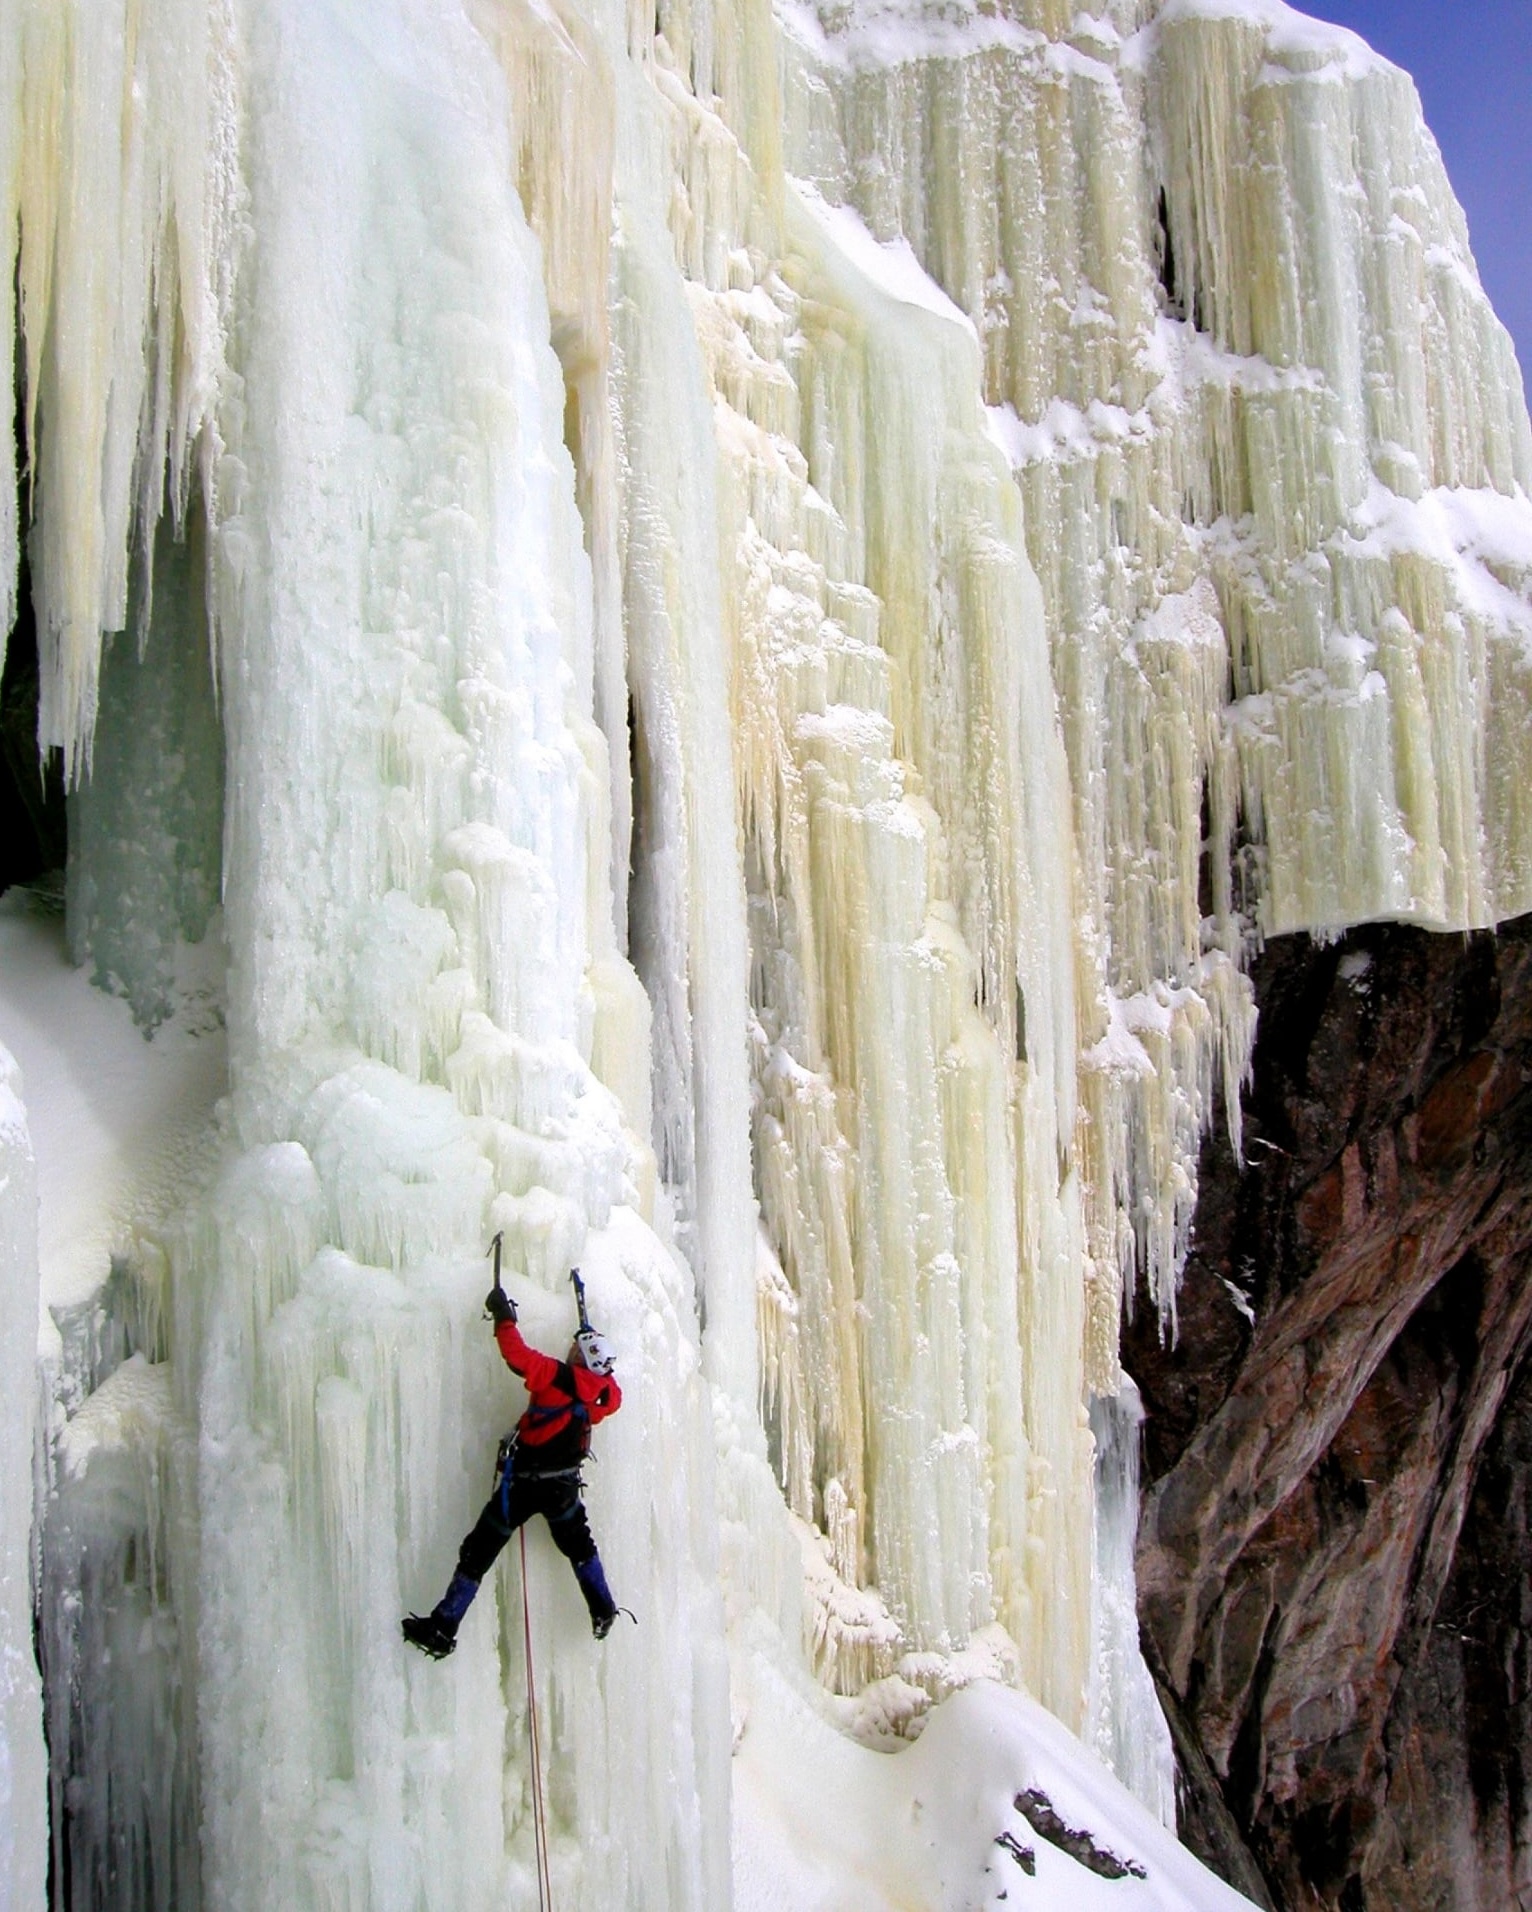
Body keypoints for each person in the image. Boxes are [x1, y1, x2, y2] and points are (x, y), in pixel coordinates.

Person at [402, 1272, 623, 1658]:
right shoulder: (597, 1396)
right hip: (563, 1491)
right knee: (580, 1547)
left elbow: (516, 1356)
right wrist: (593, 1363)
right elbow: (613, 1396)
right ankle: (603, 1609)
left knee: (478, 1550)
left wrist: (504, 1316)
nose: (569, 1352)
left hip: (522, 1487)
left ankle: (444, 1625)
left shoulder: (554, 1375)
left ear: (579, 1359)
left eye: (576, 1351)